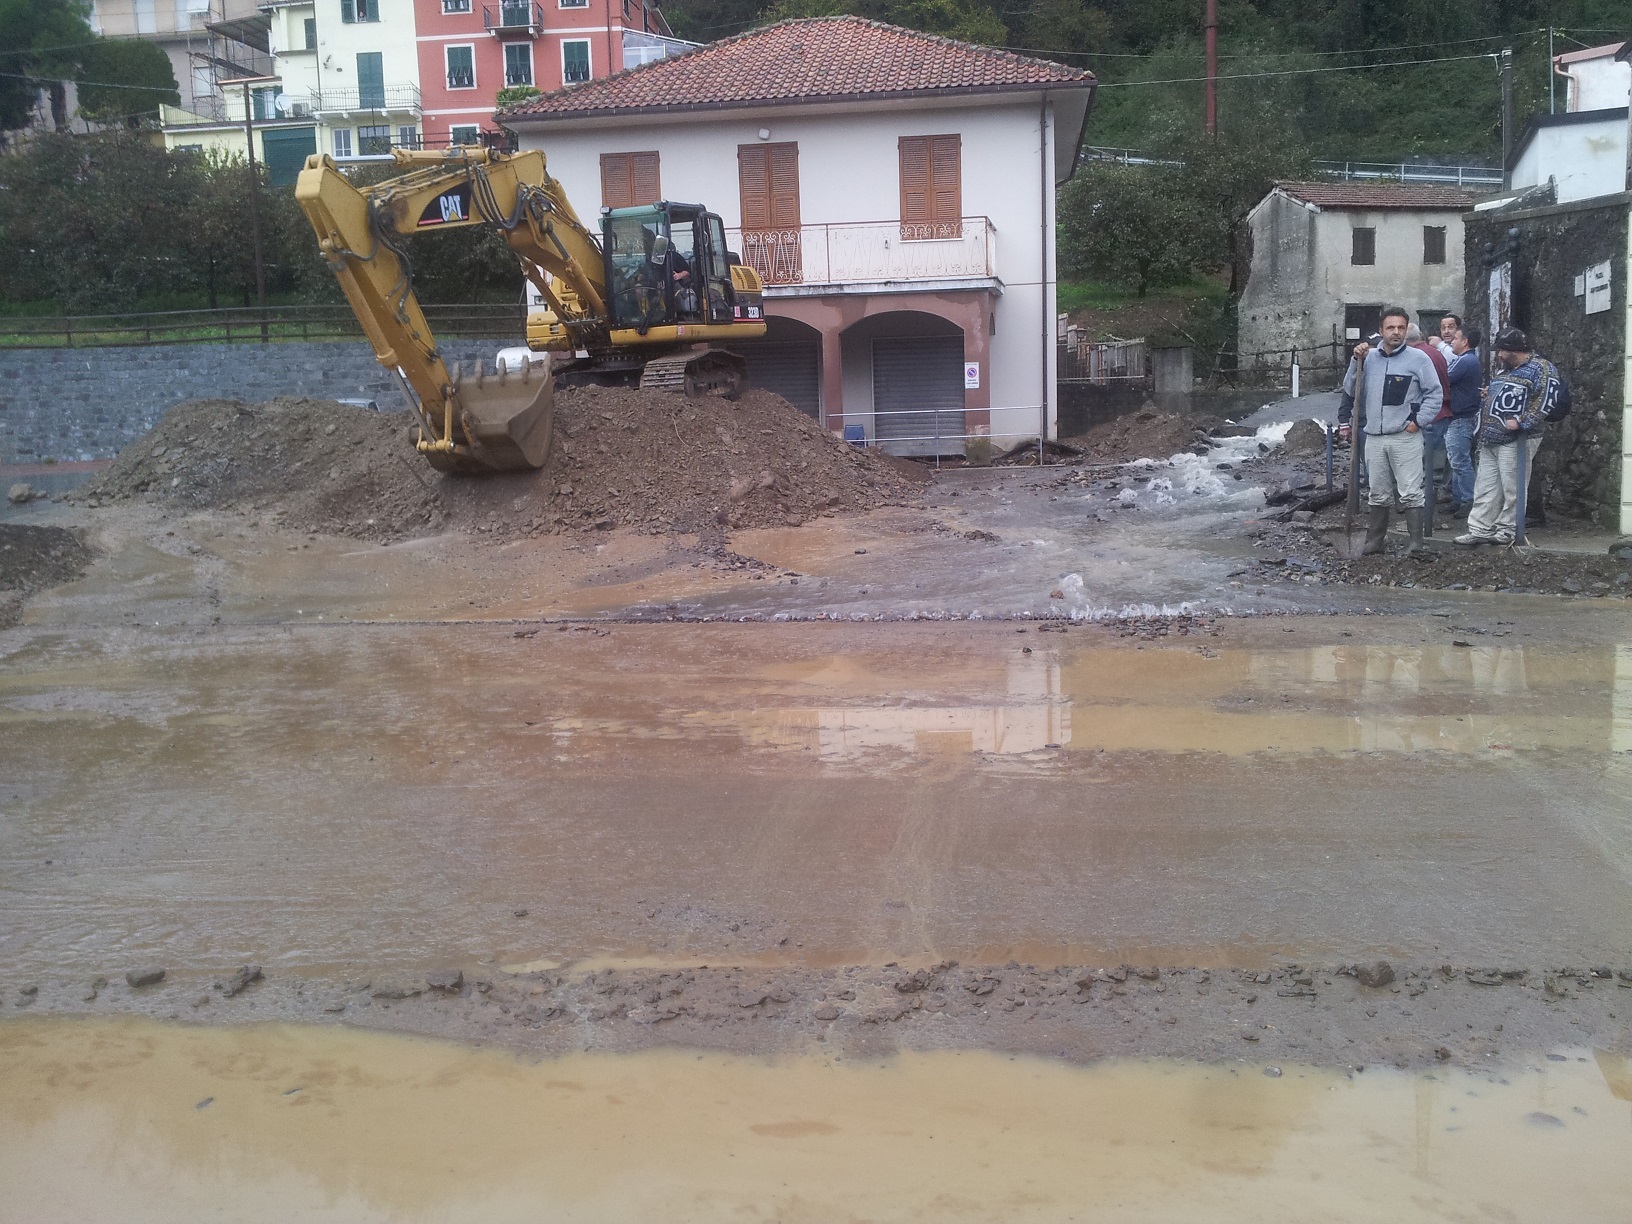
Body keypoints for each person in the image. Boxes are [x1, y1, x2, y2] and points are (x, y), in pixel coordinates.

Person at [1341, 306, 1443, 555]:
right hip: (1374, 437)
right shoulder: (1368, 358)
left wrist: (1418, 421)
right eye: (1390, 328)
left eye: (1400, 327)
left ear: (1406, 329)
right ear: (1381, 330)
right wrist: (1356, 361)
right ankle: (1375, 541)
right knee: (1378, 491)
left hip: (1404, 436)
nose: (1396, 332)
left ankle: (1416, 543)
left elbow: (1434, 393)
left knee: (1410, 491)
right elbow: (1351, 389)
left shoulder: (1419, 359)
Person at [1455, 327, 1568, 546]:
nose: (1498, 355)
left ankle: (1507, 530)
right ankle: (1480, 528)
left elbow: (1546, 400)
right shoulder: (1507, 370)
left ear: (1512, 350)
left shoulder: (1541, 368)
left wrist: (1523, 422)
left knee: (1513, 487)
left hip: (1516, 438)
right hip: (1491, 439)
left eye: (1501, 351)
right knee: (1486, 485)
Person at [1408, 323, 1452, 531]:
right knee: (1435, 469)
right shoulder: (1436, 353)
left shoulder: (1416, 357)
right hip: (1442, 414)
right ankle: (1428, 516)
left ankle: (1425, 519)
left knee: (1424, 470)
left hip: (1427, 418)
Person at [1441, 326, 1482, 515]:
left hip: (1460, 417)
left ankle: (1468, 500)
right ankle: (1458, 499)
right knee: (1458, 459)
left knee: (1459, 461)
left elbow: (1443, 379)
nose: (1452, 342)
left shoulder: (1465, 361)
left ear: (1465, 341)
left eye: (1455, 338)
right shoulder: (1469, 361)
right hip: (1463, 416)